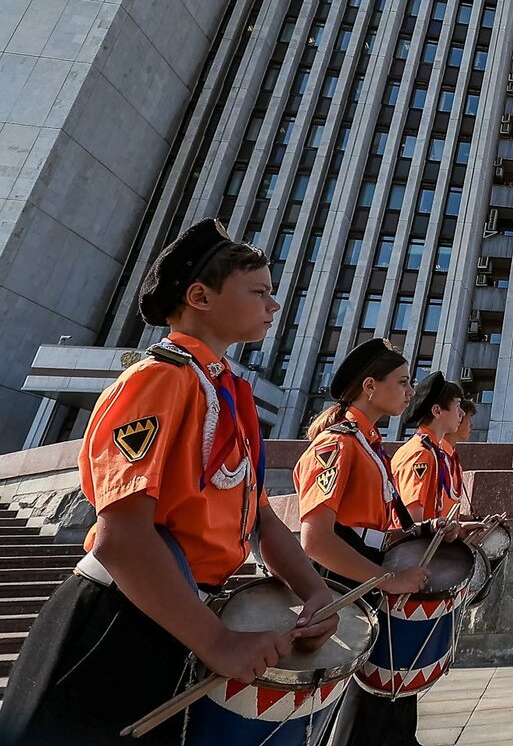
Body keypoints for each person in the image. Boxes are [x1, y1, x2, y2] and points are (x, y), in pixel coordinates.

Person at [0, 219, 339, 746]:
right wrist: (219, 642)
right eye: (260, 291)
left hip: (175, 618)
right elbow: (124, 537)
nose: (273, 306)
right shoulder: (158, 379)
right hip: (117, 621)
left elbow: (261, 517)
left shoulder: (225, 392)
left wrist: (314, 591)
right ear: (200, 295)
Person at [294, 338, 443, 746]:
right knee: (351, 705)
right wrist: (387, 580)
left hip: (362, 568)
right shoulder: (337, 445)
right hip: (342, 577)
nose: (411, 391)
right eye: (403, 381)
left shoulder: (369, 447)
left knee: (375, 701)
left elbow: (371, 525)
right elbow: (317, 539)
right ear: (370, 386)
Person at [393, 372, 467, 524]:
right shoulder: (420, 453)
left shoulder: (433, 451)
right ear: (437, 411)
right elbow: (412, 522)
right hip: (414, 547)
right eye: (458, 406)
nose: (462, 414)